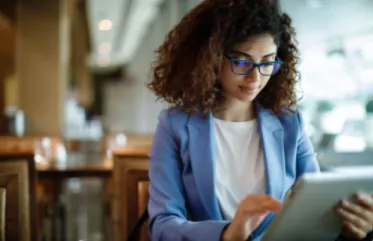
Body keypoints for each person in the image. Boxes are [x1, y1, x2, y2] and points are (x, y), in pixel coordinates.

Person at [146, 0, 373, 240]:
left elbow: (315, 211)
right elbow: (162, 226)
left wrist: (354, 227)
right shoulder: (175, 125)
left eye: (267, 62)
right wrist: (226, 234)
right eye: (242, 62)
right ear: (210, 59)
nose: (255, 77)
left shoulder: (289, 123)